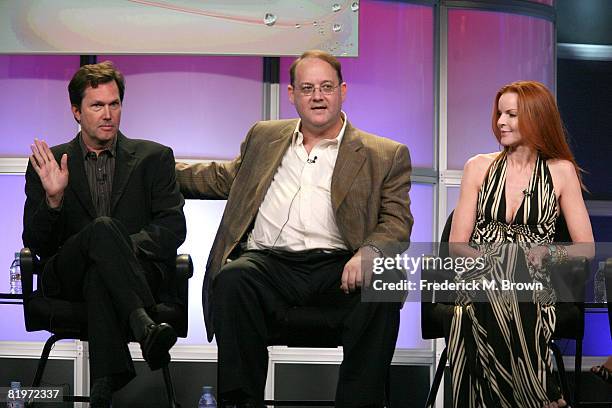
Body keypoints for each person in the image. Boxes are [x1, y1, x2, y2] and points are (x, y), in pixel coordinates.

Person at [176, 49, 412, 408]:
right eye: (307, 88)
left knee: (384, 282)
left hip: (339, 268)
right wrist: (152, 169)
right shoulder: (264, 136)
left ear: (343, 91)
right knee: (234, 278)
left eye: (326, 87)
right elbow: (224, 179)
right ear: (292, 95)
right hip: (270, 266)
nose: (317, 96)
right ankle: (240, 402)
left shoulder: (385, 153)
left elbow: (397, 221)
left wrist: (370, 252)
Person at [23, 61, 186, 407]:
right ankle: (145, 328)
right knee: (101, 234)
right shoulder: (50, 162)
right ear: (76, 111)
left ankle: (102, 387)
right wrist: (53, 201)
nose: (108, 114)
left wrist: (113, 249)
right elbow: (35, 242)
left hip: (130, 275)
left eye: (114, 104)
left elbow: (173, 228)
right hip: (67, 275)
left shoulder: (154, 158)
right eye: (97, 105)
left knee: (102, 264)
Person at [447, 80, 594, 408]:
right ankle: (543, 392)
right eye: (500, 113)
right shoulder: (478, 167)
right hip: (481, 272)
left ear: (536, 117)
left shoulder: (561, 172)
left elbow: (586, 248)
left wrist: (547, 251)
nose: (501, 122)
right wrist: (495, 262)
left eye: (511, 114)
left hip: (536, 277)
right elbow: (457, 244)